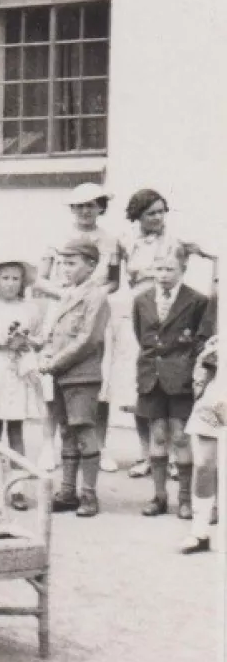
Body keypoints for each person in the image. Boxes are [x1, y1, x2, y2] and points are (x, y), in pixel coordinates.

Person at [118, 188, 203, 481]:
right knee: (142, 388)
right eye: (150, 213)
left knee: (168, 385)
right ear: (138, 215)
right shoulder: (126, 241)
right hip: (139, 311)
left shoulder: (174, 240)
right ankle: (146, 454)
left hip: (167, 316)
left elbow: (198, 255)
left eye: (160, 211)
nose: (157, 218)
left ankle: (170, 458)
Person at [132, 251, 212, 518]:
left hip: (181, 378)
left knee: (180, 436)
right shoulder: (142, 300)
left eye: (170, 269)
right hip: (151, 377)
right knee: (157, 435)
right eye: (159, 269)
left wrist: (188, 368)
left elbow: (203, 339)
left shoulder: (198, 300)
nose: (164, 275)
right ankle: (159, 497)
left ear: (183, 269)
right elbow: (141, 335)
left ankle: (185, 499)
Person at [37, 236, 112, 517]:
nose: (64, 269)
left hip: (81, 375)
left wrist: (55, 362)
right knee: (67, 431)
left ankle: (89, 494)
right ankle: (67, 491)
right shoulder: (67, 294)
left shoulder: (97, 295)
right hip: (61, 374)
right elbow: (55, 334)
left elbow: (88, 339)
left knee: (83, 429)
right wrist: (44, 352)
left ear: (91, 265)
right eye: (61, 264)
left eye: (71, 263)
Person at [0, 258, 46, 511]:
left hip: (18, 369)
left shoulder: (31, 309)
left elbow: (39, 340)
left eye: (15, 278)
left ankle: (17, 487)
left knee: (16, 429)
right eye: (5, 278)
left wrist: (26, 341)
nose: (11, 283)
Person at [182, 335, 222, 554]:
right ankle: (199, 531)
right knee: (205, 464)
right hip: (218, 401)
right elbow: (204, 364)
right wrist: (201, 391)